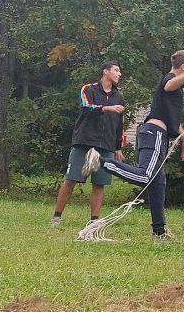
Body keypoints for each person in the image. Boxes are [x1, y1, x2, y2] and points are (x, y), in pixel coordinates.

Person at [102, 50, 184, 238]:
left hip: (156, 134)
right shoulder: (170, 79)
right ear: (183, 67)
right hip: (154, 133)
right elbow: (169, 86)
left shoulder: (175, 89)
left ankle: (159, 231)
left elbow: (172, 119)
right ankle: (101, 162)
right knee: (146, 177)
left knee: (158, 183)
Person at [50, 61, 127, 228]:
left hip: (106, 145)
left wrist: (118, 147)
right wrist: (107, 108)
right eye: (116, 70)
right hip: (84, 142)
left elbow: (119, 124)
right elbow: (86, 108)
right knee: (71, 180)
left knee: (99, 184)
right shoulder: (88, 89)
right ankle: (56, 217)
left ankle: (94, 221)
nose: (119, 74)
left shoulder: (119, 96)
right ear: (105, 71)